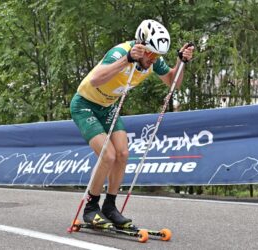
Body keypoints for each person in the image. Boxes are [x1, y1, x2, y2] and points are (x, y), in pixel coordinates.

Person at [70, 19, 194, 226]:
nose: (154, 60)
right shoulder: (119, 53)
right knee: (107, 155)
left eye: (158, 56)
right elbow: (95, 80)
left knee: (123, 154)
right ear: (141, 46)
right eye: (151, 54)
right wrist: (127, 59)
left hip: (108, 107)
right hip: (86, 105)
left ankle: (110, 206)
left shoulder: (152, 60)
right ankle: (91, 207)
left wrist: (181, 62)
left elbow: (173, 82)